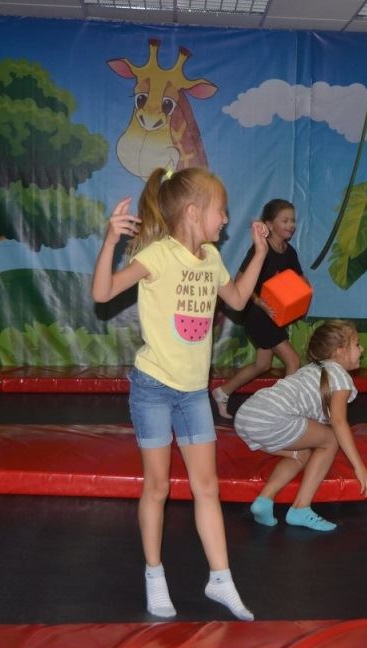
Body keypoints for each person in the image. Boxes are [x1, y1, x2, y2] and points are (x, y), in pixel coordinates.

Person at [91, 167, 270, 621]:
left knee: (207, 487)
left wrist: (260, 254)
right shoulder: (158, 255)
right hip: (153, 388)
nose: (225, 219)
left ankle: (221, 580)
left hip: (193, 393)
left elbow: (237, 299)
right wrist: (110, 242)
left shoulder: (211, 258)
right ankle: (154, 575)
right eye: (220, 210)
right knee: (157, 487)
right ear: (193, 212)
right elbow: (103, 292)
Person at [233, 320, 367, 531]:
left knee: (300, 454)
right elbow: (338, 422)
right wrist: (360, 468)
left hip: (248, 415)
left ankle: (264, 501)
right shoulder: (340, 377)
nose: (362, 349)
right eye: (357, 344)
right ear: (340, 351)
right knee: (330, 440)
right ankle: (301, 508)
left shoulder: (311, 369)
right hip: (274, 418)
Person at [212, 199, 305, 420]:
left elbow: (300, 279)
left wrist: (303, 292)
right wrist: (259, 301)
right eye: (285, 221)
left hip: (274, 316)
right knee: (293, 361)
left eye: (293, 221)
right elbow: (240, 280)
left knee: (262, 365)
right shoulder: (260, 249)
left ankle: (222, 392)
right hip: (257, 314)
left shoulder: (289, 252)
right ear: (269, 224)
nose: (291, 225)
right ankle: (284, 411)